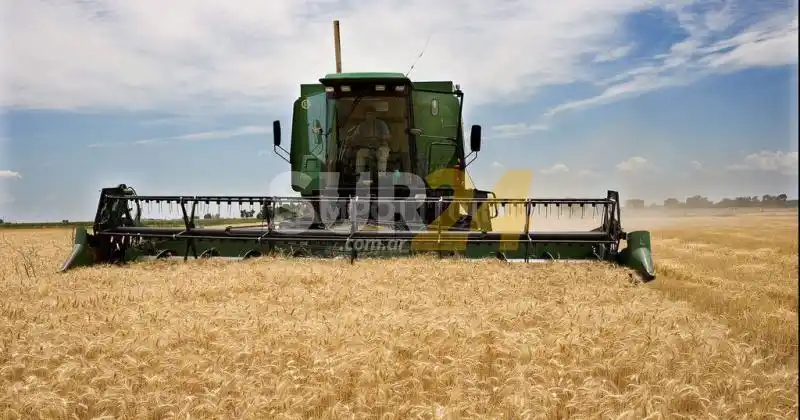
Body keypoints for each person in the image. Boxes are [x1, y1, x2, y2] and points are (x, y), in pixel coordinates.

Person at [349, 106, 391, 174]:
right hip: (367, 148)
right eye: (368, 114)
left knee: (382, 154)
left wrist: (381, 138)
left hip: (381, 147)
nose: (370, 116)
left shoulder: (381, 124)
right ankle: (359, 176)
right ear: (365, 115)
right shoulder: (361, 125)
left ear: (375, 115)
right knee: (360, 153)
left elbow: (388, 137)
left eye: (371, 114)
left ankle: (382, 176)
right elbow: (354, 137)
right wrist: (357, 139)